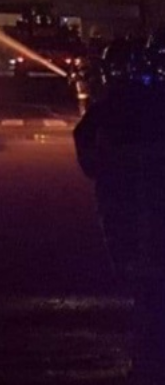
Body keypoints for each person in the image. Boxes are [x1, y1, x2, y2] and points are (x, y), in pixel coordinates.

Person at [73, 27, 165, 382]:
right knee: (145, 282)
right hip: (133, 205)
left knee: (143, 285)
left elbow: (86, 144)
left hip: (127, 207)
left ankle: (147, 360)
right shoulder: (136, 102)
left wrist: (104, 165)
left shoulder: (116, 104)